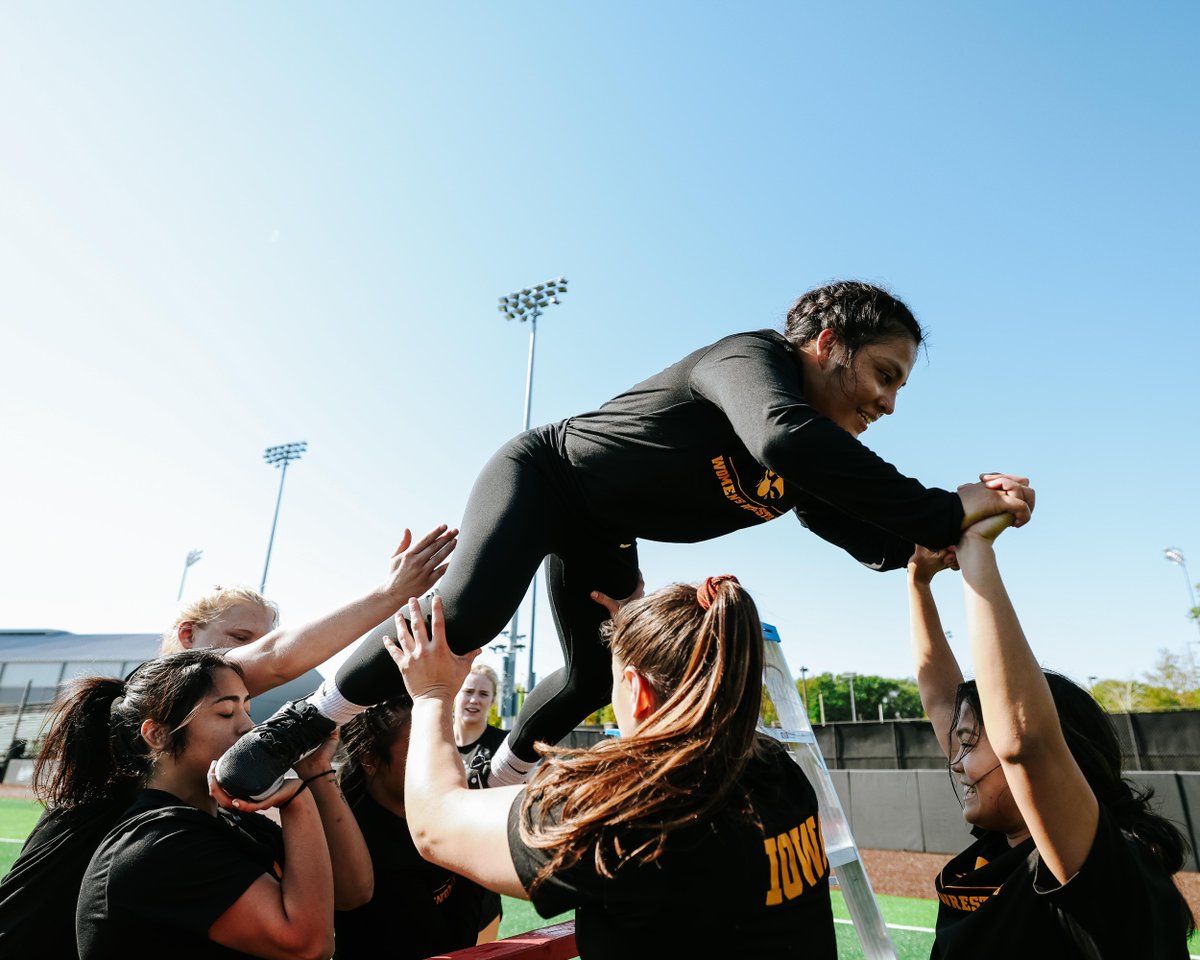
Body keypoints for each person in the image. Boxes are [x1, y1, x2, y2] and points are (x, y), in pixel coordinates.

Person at [219, 280, 1035, 798]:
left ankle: (497, 779)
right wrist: (943, 506)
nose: (889, 403)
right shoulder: (754, 361)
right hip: (545, 476)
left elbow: (873, 539)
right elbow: (784, 437)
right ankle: (302, 725)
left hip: (602, 528)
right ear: (826, 346)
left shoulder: (809, 464)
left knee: (592, 674)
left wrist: (950, 538)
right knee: (468, 615)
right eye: (885, 375)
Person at [0, 529, 450, 957]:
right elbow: (274, 659)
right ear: (187, 637)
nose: (245, 720)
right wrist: (391, 594)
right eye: (240, 639)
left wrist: (313, 779)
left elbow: (351, 893)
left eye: (242, 708)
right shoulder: (135, 706)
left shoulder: (225, 808)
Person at [387, 580, 838, 959]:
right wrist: (641, 635)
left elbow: (434, 825)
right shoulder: (776, 768)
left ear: (637, 690)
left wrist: (431, 695)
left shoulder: (631, 807)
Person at [907, 519, 1194, 957]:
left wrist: (975, 546)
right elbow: (940, 699)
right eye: (961, 742)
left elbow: (1026, 743)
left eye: (970, 743)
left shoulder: (1095, 859)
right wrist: (918, 583)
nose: (957, 762)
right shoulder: (1003, 841)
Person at [67, 650, 363, 959]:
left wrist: (315, 771)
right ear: (157, 735)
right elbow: (308, 945)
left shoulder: (236, 823)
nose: (249, 727)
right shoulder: (160, 842)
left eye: (247, 710)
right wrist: (298, 802)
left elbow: (351, 891)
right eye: (226, 713)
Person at [332, 694, 488, 960]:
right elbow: (451, 947)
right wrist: (476, 844)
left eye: (446, 739)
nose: (445, 757)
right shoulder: (372, 848)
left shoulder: (424, 808)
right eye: (422, 746)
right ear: (369, 760)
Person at [452, 664, 506, 941]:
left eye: (483, 694)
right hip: (433, 864)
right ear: (455, 694)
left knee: (482, 951)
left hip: (483, 871)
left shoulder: (505, 746)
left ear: (493, 700)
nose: (474, 699)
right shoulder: (433, 742)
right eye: (468, 691)